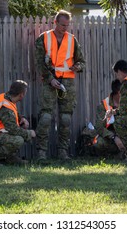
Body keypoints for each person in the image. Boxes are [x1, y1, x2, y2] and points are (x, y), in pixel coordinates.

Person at [34, 10, 86, 160]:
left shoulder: (72, 40)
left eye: (67, 25)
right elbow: (39, 63)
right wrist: (50, 79)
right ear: (55, 22)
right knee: (45, 117)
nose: (65, 28)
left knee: (65, 119)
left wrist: (78, 67)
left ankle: (63, 151)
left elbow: (82, 61)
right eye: (63, 25)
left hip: (68, 82)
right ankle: (41, 153)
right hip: (49, 81)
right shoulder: (43, 38)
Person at [0, 80, 36, 166]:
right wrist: (29, 133)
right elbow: (13, 129)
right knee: (18, 140)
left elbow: (12, 114)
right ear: (21, 94)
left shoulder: (7, 98)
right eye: (25, 93)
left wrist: (22, 118)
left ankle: (10, 158)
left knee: (17, 136)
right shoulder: (5, 106)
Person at [80, 79, 126, 158]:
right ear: (119, 92)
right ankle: (111, 155)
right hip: (111, 137)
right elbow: (99, 127)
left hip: (126, 134)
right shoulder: (104, 105)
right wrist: (114, 137)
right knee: (99, 143)